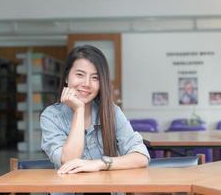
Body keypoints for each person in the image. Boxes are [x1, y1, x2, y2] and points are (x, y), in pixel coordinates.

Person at [40, 45, 150, 176]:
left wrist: (99, 164)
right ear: (66, 77)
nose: (86, 83)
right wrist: (79, 110)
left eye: (95, 78)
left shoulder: (111, 112)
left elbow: (141, 156)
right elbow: (69, 161)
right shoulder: (51, 116)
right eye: (80, 74)